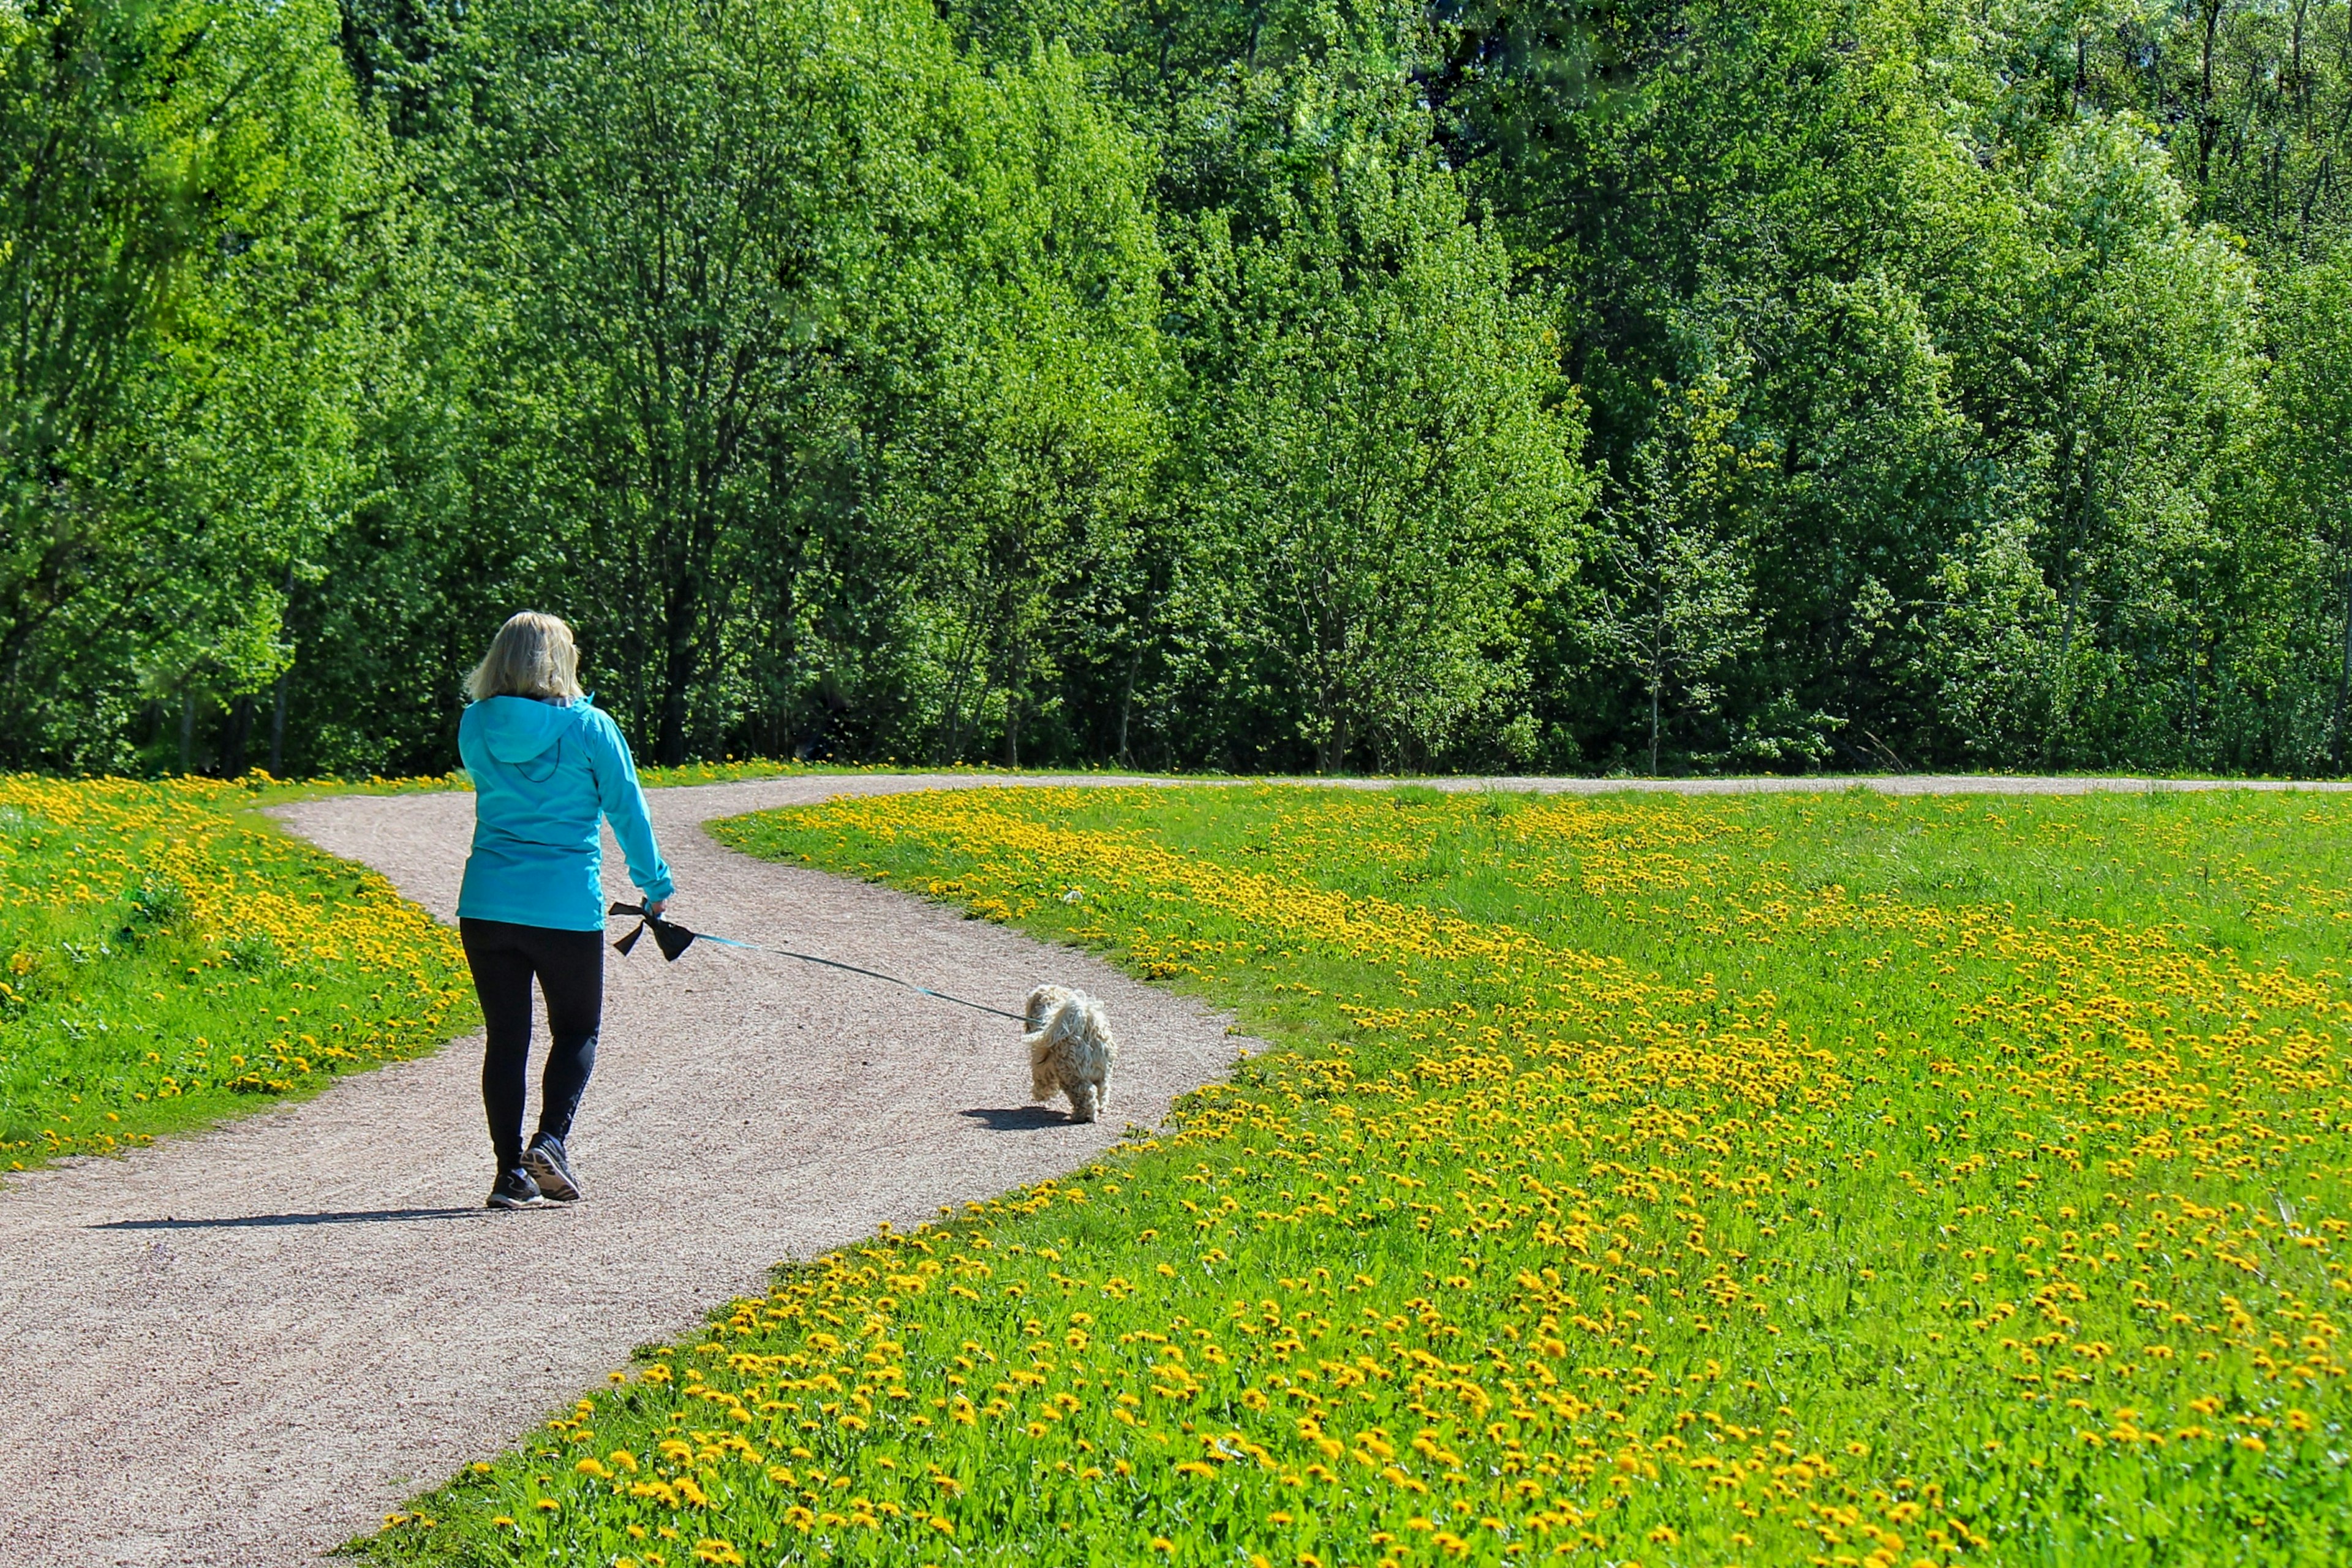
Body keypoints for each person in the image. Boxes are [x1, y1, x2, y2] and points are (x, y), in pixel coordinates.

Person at [454, 611, 674, 1209]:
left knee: (506, 1036)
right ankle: (550, 1140)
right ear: (561, 660)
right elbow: (628, 811)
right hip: (564, 907)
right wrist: (655, 884)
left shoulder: (474, 726)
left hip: (487, 902)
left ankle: (508, 1173)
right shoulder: (591, 728)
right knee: (576, 1028)